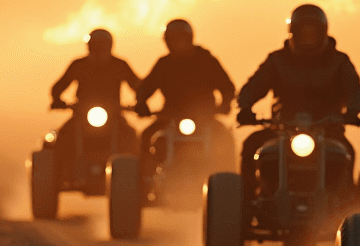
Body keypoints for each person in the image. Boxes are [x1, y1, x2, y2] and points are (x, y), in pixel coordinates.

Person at [236, 4, 360, 195]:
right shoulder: (276, 60)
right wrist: (245, 107)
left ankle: (347, 206)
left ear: (322, 33)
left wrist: (353, 110)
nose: (308, 38)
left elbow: (356, 92)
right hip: (281, 129)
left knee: (346, 152)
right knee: (251, 146)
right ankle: (248, 202)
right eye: (303, 33)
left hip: (328, 130)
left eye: (312, 34)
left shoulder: (339, 61)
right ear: (293, 34)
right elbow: (253, 87)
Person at [134, 19, 236, 176]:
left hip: (205, 118)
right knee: (146, 136)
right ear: (167, 42)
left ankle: (228, 182)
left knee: (225, 138)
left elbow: (227, 87)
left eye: (181, 39)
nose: (178, 43)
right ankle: (143, 183)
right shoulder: (163, 64)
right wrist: (141, 103)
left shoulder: (207, 61)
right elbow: (145, 88)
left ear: (190, 39)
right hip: (169, 118)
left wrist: (226, 102)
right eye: (173, 40)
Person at [50, 28, 140, 172]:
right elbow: (59, 86)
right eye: (96, 46)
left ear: (110, 46)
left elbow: (137, 86)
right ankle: (61, 172)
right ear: (89, 47)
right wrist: (56, 99)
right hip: (80, 116)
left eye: (102, 46)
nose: (99, 50)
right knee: (60, 138)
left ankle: (138, 176)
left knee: (132, 139)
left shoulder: (120, 65)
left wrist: (141, 101)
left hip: (114, 117)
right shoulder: (79, 65)